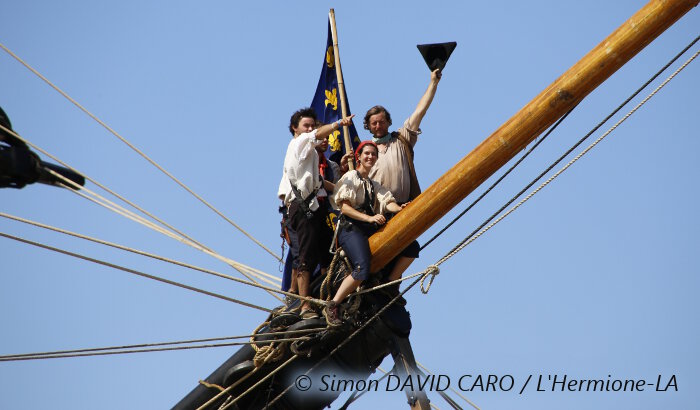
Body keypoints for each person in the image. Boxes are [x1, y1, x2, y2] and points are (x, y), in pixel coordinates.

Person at [364, 68, 442, 288]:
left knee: (410, 247)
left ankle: (391, 282)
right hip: (377, 211)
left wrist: (433, 83)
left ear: (388, 122)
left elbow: (420, 111)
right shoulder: (365, 151)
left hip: (402, 206)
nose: (378, 126)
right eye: (373, 123)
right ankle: (380, 281)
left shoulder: (401, 140)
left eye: (381, 122)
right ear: (368, 126)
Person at [278, 107, 354, 318]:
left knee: (325, 254)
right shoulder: (298, 142)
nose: (310, 129)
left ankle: (325, 298)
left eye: (312, 125)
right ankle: (304, 305)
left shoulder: (309, 155)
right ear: (295, 128)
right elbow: (317, 135)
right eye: (306, 125)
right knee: (306, 257)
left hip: (315, 207)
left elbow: (323, 184)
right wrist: (340, 123)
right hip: (303, 208)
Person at [324, 141, 406, 326]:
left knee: (410, 247)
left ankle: (388, 284)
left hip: (367, 228)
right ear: (359, 157)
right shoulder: (351, 176)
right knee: (361, 268)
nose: (370, 156)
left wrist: (400, 209)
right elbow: (345, 208)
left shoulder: (373, 184)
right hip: (351, 228)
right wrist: (369, 219)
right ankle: (333, 304)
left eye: (373, 154)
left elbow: (387, 202)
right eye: (366, 153)